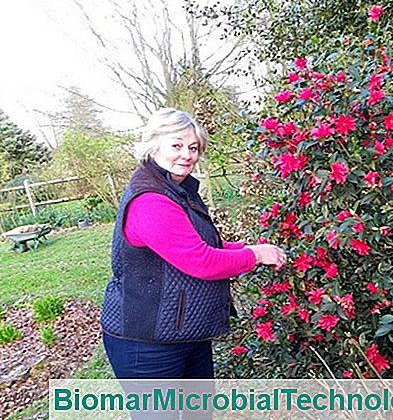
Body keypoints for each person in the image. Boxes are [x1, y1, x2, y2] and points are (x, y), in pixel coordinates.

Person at [100, 107, 286, 380]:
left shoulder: (179, 189)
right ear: (154, 145)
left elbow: (198, 245)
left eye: (193, 147)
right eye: (176, 145)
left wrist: (247, 249)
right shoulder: (151, 200)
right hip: (147, 344)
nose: (187, 154)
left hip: (185, 332)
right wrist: (255, 255)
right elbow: (201, 261)